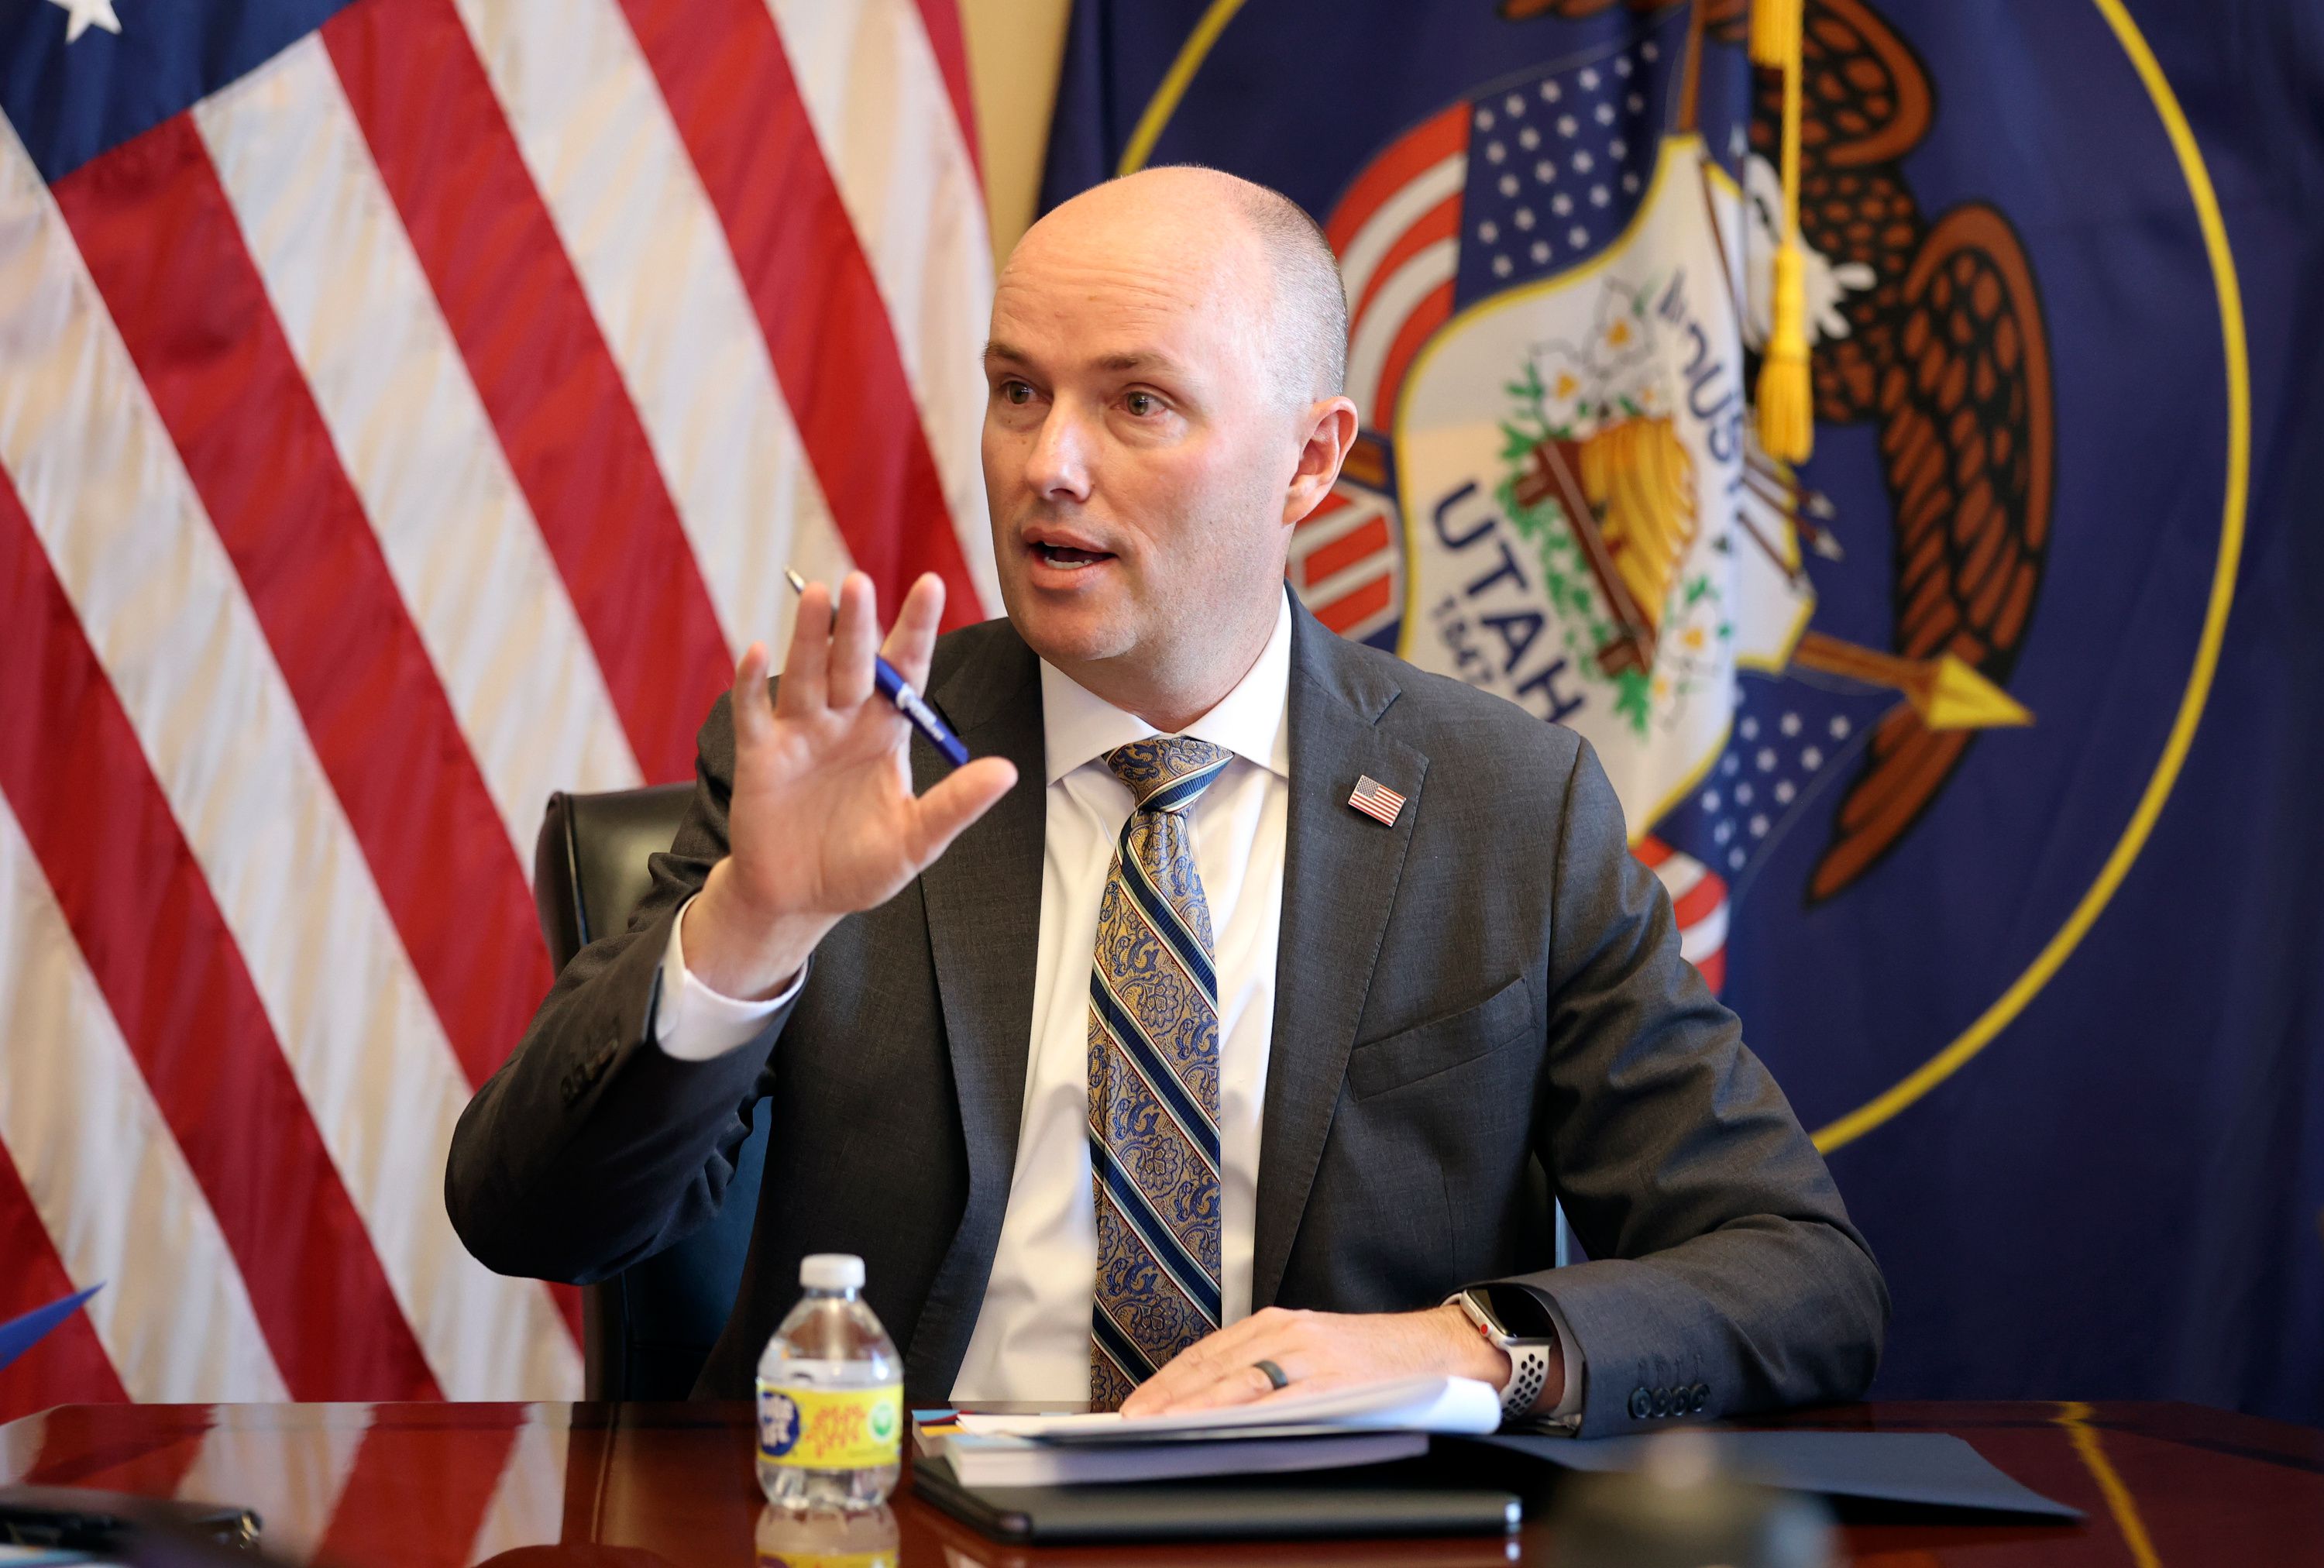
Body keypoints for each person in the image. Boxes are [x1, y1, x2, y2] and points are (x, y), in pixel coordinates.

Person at [447, 166, 1886, 1433]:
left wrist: (1458, 1348)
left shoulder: (1505, 808)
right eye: (1019, 391)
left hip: (1340, 1550)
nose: (1047, 466)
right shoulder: (853, 762)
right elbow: (532, 1219)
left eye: (1137, 402)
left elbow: (1798, 1274)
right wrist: (756, 924)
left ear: (1311, 462)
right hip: (896, 1526)